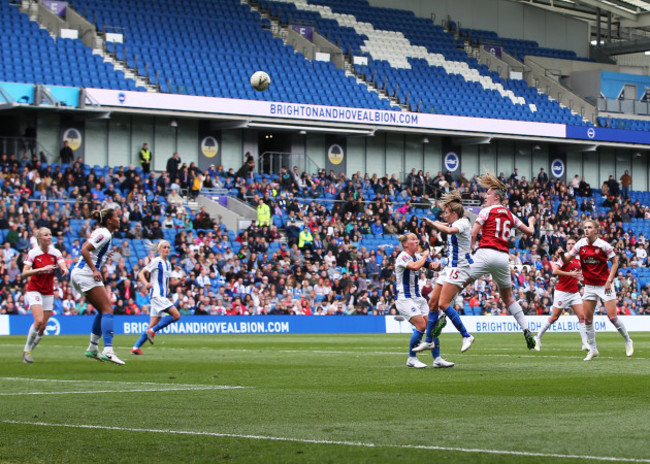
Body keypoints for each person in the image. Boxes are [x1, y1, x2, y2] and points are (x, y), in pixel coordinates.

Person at [465, 170, 537, 349]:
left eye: (488, 193)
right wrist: (532, 222)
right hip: (503, 258)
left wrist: (467, 252)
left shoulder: (486, 211)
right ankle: (526, 329)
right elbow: (530, 232)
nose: (485, 196)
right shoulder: (510, 214)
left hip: (485, 253)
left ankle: (444, 318)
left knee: (458, 282)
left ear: (496, 197)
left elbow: (474, 234)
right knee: (509, 298)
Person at [560, 220, 634, 361]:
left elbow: (615, 263)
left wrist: (609, 281)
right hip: (589, 286)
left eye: (589, 228)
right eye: (585, 228)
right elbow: (566, 259)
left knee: (612, 317)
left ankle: (628, 340)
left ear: (596, 230)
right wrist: (561, 255)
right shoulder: (580, 244)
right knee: (587, 319)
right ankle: (593, 350)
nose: (586, 230)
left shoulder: (604, 246)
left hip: (604, 285)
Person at [413, 191, 475, 354]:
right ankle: (429, 341)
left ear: (454, 214)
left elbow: (448, 230)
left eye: (446, 213)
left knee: (443, 303)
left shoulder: (463, 223)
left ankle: (466, 335)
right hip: (450, 267)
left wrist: (432, 223)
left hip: (460, 268)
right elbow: (446, 226)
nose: (444, 215)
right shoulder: (455, 222)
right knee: (432, 303)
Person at [70, 207, 125, 365]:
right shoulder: (105, 233)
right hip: (86, 273)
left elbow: (92, 250)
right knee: (108, 309)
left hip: (81, 273)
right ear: (109, 220)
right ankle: (108, 350)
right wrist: (94, 269)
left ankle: (93, 348)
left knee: (103, 310)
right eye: (116, 217)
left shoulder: (103, 232)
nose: (119, 219)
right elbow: (84, 250)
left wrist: (103, 255)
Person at [394, 233, 452, 368]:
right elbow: (414, 266)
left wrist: (437, 265)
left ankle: (437, 359)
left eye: (416, 239)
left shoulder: (418, 257)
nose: (416, 241)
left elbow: (432, 266)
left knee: (432, 326)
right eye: (413, 239)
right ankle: (411, 358)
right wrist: (425, 256)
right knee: (421, 325)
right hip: (404, 298)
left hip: (418, 298)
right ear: (405, 244)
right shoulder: (402, 257)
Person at [21, 227, 69, 363]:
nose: (49, 237)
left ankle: (29, 351)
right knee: (39, 321)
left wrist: (64, 269)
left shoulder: (55, 252)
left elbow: (62, 263)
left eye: (50, 234)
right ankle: (27, 350)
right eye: (46, 235)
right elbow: (24, 272)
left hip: (48, 291)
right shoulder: (33, 253)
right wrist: (41, 269)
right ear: (39, 238)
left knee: (43, 327)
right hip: (34, 289)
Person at [533, 236, 587, 351]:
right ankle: (537, 338)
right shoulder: (564, 258)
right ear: (566, 246)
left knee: (582, 316)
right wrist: (570, 274)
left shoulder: (579, 260)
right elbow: (555, 271)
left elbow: (579, 275)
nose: (571, 245)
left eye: (573, 243)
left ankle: (585, 343)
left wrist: (582, 281)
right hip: (562, 292)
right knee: (554, 317)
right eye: (569, 244)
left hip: (574, 292)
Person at [131, 240, 181, 355]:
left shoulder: (168, 264)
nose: (167, 249)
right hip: (157, 296)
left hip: (161, 296)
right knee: (176, 315)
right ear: (159, 250)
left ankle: (135, 347)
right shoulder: (156, 261)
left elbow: (166, 281)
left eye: (168, 247)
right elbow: (141, 273)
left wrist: (179, 281)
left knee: (152, 324)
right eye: (164, 247)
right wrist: (146, 283)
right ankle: (152, 331)